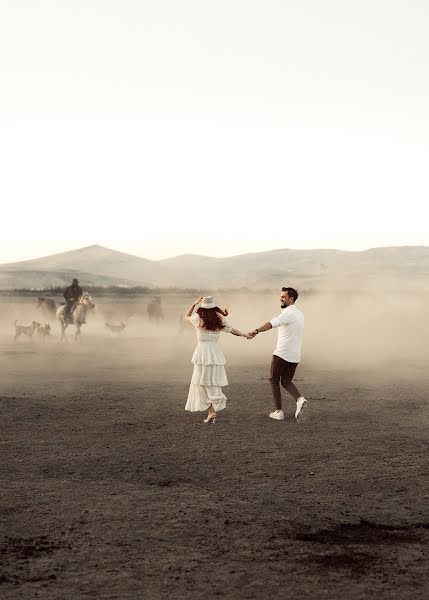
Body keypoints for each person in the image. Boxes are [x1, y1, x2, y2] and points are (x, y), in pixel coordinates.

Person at [185, 295, 251, 424]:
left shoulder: (198, 318)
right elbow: (232, 330)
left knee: (200, 383)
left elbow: (186, 316)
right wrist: (245, 335)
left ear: (202, 307)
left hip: (202, 354)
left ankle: (211, 411)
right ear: (213, 306)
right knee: (210, 383)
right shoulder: (219, 318)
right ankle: (211, 411)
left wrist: (194, 304)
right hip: (215, 354)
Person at [248, 287, 307, 421]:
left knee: (274, 380)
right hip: (295, 354)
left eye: (283, 297)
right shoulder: (299, 314)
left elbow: (271, 324)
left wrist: (256, 331)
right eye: (281, 296)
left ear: (291, 299)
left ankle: (278, 412)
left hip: (282, 353)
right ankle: (299, 399)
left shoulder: (287, 314)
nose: (281, 299)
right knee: (286, 381)